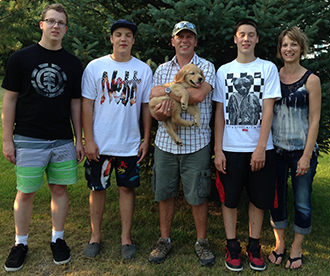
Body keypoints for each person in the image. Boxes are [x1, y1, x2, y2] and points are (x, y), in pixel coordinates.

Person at [2, 3, 84, 272]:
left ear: (66, 29)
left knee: (59, 190)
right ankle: (20, 243)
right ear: (42, 24)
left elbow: (75, 103)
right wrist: (7, 139)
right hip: (28, 137)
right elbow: (10, 99)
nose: (56, 26)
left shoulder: (73, 63)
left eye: (61, 23)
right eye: (51, 21)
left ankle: (58, 239)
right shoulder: (20, 59)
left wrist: (78, 139)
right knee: (25, 192)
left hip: (61, 139)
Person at [213, 18, 281, 272]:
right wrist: (218, 149)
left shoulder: (267, 69)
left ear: (257, 39)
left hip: (260, 147)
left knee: (259, 199)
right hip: (230, 148)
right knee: (229, 199)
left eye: (251, 35)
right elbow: (219, 112)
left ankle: (254, 246)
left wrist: (261, 146)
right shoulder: (223, 71)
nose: (246, 39)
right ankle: (232, 247)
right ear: (235, 39)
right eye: (242, 34)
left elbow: (268, 109)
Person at [81, 19, 152, 260]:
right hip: (100, 144)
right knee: (97, 189)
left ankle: (126, 238)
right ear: (111, 39)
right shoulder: (94, 67)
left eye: (128, 35)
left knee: (126, 189)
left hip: (129, 144)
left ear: (133, 40)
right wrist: (88, 139)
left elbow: (146, 107)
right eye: (118, 34)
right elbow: (86, 104)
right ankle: (95, 236)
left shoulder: (143, 70)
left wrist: (146, 138)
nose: (123, 39)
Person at [148, 21, 216, 267]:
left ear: (195, 41)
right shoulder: (163, 68)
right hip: (166, 142)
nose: (184, 40)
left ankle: (202, 242)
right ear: (173, 41)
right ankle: (164, 240)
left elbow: (197, 95)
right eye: (180, 37)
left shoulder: (206, 66)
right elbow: (153, 102)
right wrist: (160, 110)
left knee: (198, 194)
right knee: (164, 193)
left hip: (196, 144)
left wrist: (165, 92)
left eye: (189, 36)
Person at [268, 27, 321, 270]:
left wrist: (307, 156)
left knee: (302, 201)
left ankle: (296, 248)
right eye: (285, 45)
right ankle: (279, 244)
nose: (289, 49)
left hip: (302, 151)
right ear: (280, 50)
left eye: (294, 45)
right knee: (276, 200)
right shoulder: (272, 75)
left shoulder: (311, 80)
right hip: (276, 150)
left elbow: (315, 119)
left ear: (301, 48)